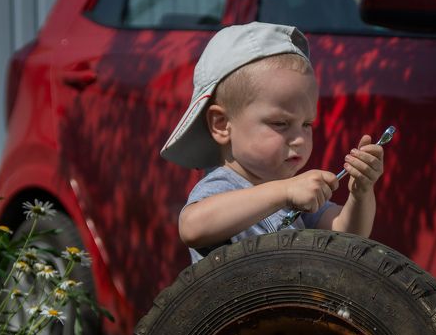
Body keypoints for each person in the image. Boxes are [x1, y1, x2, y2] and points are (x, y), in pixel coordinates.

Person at [161, 22, 385, 263]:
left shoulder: (295, 195)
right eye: (280, 123)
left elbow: (348, 235)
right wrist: (284, 192)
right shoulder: (224, 185)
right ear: (222, 124)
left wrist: (360, 194)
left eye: (307, 124)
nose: (299, 139)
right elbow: (192, 227)